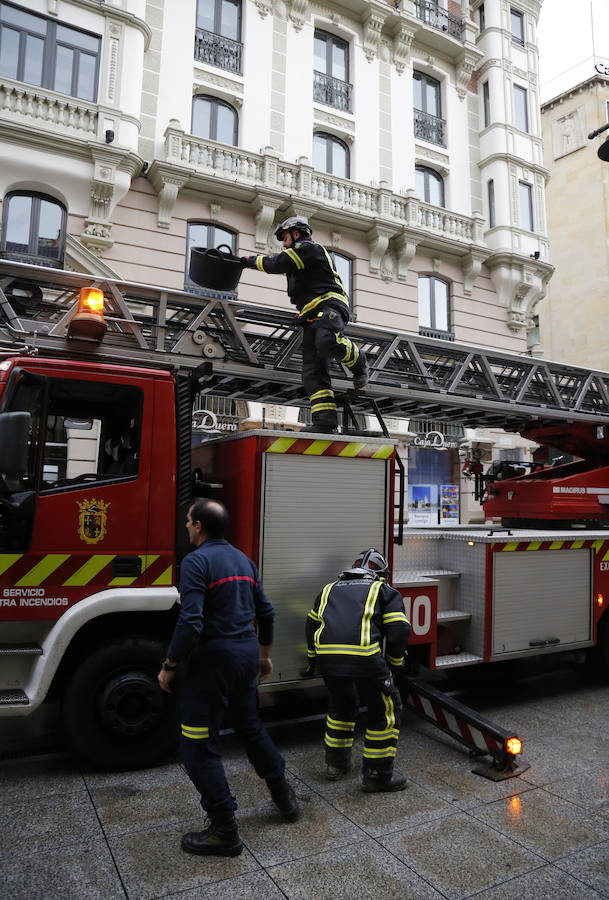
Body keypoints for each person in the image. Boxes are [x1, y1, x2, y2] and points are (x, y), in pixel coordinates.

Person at [158, 499, 299, 858]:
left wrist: (170, 665)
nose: (186, 526)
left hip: (212, 663)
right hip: (245, 655)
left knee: (195, 743)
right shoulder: (242, 559)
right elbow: (265, 611)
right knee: (249, 726)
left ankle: (224, 830)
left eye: (189, 521)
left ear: (200, 527)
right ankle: (285, 798)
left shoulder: (195, 562)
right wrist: (264, 656)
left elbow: (190, 621)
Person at [241, 217, 369, 433]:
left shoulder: (309, 248)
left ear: (297, 234)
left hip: (329, 305)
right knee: (312, 370)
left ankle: (360, 362)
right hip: (310, 314)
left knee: (326, 341)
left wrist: (248, 260)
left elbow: (276, 263)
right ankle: (325, 421)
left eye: (285, 238)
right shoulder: (298, 257)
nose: (284, 243)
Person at [304, 548, 411, 791]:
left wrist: (313, 660)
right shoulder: (383, 590)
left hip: (328, 660)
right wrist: (394, 664)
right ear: (380, 574)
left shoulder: (328, 589)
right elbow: (400, 630)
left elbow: (311, 625)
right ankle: (377, 776)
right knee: (385, 712)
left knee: (341, 705)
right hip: (365, 659)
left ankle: (336, 765)